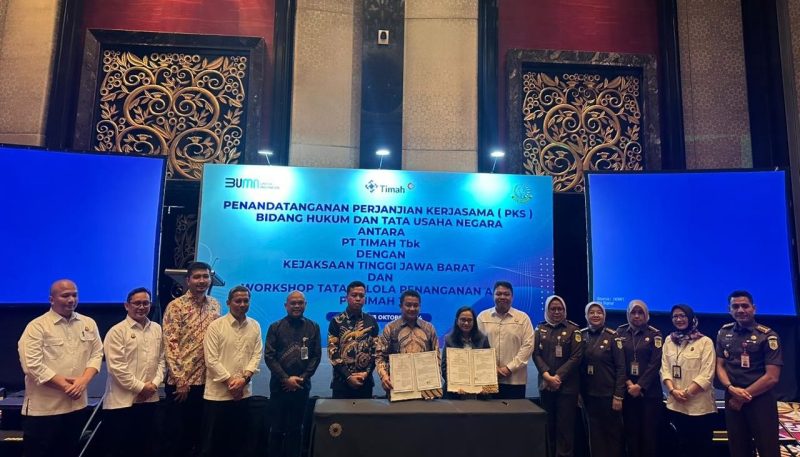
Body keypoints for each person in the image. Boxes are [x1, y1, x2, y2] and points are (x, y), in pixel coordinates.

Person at [17, 279, 103, 457]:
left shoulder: (88, 323)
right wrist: (66, 386)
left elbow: (97, 354)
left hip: (76, 407)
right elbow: (32, 365)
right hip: (44, 411)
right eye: (65, 296)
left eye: (74, 295)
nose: (71, 300)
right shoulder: (37, 326)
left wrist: (83, 381)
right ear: (51, 299)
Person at [162, 261, 221, 457]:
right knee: (177, 436)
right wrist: (180, 379)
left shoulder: (215, 305)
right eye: (197, 277)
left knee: (199, 434)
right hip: (182, 383)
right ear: (188, 280)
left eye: (205, 276)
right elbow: (170, 343)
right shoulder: (176, 306)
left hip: (206, 381)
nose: (201, 281)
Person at [715, 290, 782, 457]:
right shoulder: (724, 333)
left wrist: (743, 396)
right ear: (729, 310)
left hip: (760, 399)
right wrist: (730, 389)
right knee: (738, 448)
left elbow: (772, 377)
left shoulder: (768, 336)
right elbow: (720, 366)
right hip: (732, 397)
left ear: (754, 308)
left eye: (745, 306)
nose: (740, 310)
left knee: (768, 449)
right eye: (735, 306)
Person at [102, 287, 165, 457]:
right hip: (122, 404)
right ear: (127, 305)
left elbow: (162, 361)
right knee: (121, 451)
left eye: (145, 303)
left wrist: (154, 385)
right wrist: (141, 388)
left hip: (150, 400)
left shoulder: (157, 329)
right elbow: (117, 368)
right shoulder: (116, 332)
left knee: (147, 449)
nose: (141, 307)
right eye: (137, 303)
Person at [201, 285, 263, 457]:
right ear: (228, 303)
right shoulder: (216, 326)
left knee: (240, 443)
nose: (242, 304)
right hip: (218, 396)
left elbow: (256, 355)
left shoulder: (255, 326)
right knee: (215, 445)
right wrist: (231, 383)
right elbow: (211, 360)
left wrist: (244, 380)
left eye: (245, 301)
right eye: (238, 301)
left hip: (243, 394)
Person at [264, 290, 321, 457]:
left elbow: (316, 356)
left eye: (300, 303)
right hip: (279, 386)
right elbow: (269, 356)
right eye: (293, 303)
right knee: (276, 428)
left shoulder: (313, 327)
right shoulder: (275, 327)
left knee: (296, 429)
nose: (297, 306)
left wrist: (302, 379)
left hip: (302, 387)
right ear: (286, 305)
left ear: (305, 305)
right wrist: (285, 378)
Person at [660, 304, 716, 457]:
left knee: (701, 448)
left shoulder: (705, 342)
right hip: (676, 405)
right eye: (675, 316)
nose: (679, 319)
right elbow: (665, 369)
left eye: (683, 316)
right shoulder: (669, 340)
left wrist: (685, 393)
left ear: (691, 318)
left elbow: (707, 374)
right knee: (680, 447)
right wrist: (673, 391)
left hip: (700, 406)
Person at [533, 295, 583, 457]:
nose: (556, 312)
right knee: (548, 425)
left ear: (565, 310)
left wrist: (557, 377)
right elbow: (536, 354)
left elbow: (576, 357)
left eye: (560, 309)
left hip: (567, 387)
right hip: (546, 385)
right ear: (547, 310)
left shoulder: (574, 330)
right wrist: (547, 376)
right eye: (552, 309)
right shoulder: (540, 328)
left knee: (565, 428)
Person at [616, 299, 663, 457]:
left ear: (646, 315)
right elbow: (618, 361)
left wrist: (640, 386)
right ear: (628, 314)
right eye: (633, 313)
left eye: (640, 312)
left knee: (649, 435)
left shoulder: (655, 334)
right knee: (631, 434)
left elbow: (655, 363)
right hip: (628, 392)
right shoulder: (620, 332)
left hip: (650, 394)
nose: (636, 316)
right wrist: (629, 384)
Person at [375, 289, 442, 399]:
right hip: (397, 387)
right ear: (401, 306)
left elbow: (437, 357)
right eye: (408, 305)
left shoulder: (429, 328)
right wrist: (384, 376)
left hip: (425, 389)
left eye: (415, 305)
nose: (412, 308)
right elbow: (380, 356)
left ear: (420, 306)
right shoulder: (390, 328)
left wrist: (435, 380)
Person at [580, 301, 625, 457]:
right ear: (586, 315)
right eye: (591, 312)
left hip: (609, 395)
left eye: (599, 312)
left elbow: (621, 368)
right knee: (593, 434)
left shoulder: (613, 336)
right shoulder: (581, 335)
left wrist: (618, 395)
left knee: (612, 434)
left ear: (604, 316)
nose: (595, 315)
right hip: (588, 395)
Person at [476, 280, 534, 399]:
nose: (502, 297)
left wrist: (509, 368)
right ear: (493, 296)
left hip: (515, 380)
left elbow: (528, 346)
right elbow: (477, 346)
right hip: (487, 379)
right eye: (498, 294)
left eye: (506, 294)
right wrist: (493, 368)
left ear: (512, 297)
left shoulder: (523, 318)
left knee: (514, 411)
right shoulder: (482, 317)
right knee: (486, 411)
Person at [327, 280, 379, 399]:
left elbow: (376, 352)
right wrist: (348, 377)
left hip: (365, 382)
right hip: (341, 383)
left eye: (361, 296)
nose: (358, 298)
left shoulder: (371, 321)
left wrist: (366, 373)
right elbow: (332, 353)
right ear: (347, 297)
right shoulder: (336, 321)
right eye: (354, 295)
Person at [441, 306, 491, 399]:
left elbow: (488, 366)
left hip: (479, 392)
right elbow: (444, 367)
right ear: (457, 321)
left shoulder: (483, 339)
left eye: (469, 320)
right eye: (463, 320)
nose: (466, 323)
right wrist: (455, 386)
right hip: (455, 392)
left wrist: (485, 385)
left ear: (474, 322)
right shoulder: (449, 340)